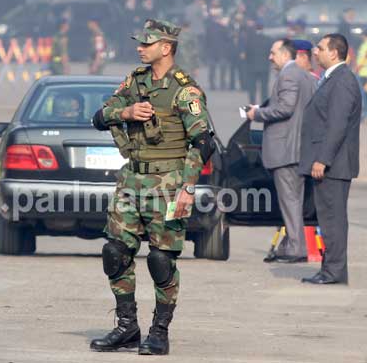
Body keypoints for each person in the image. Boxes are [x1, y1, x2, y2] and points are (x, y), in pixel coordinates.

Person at [90, 19, 215, 355]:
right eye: (139, 43)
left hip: (169, 183)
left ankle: (159, 331)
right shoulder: (135, 81)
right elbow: (99, 117)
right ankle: (126, 327)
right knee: (115, 253)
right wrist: (127, 111)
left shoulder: (184, 89)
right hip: (131, 180)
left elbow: (203, 141)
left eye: (147, 43)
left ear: (166, 47)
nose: (139, 48)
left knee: (161, 260)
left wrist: (188, 188)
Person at [299, 34, 362, 285]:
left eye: (321, 48)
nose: (316, 52)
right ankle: (330, 269)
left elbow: (337, 126)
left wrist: (322, 160)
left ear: (334, 53)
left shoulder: (343, 81)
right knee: (328, 219)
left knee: (333, 220)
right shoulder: (333, 79)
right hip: (330, 163)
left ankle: (334, 272)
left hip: (334, 165)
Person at [246, 39, 316, 263]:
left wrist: (257, 114)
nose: (269, 57)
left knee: (290, 201)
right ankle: (290, 245)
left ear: (285, 55)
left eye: (273, 52)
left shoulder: (288, 75)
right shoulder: (306, 76)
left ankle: (296, 248)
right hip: (300, 148)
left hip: (285, 149)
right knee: (294, 200)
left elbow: (285, 108)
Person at [244, 21, 272, 104]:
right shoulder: (268, 39)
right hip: (264, 67)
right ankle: (264, 104)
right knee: (264, 88)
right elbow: (270, 53)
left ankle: (252, 104)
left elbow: (246, 53)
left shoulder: (249, 40)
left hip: (252, 67)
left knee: (252, 88)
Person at [356, 30, 367, 119]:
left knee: (364, 94)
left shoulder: (366, 45)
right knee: (364, 94)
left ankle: (365, 114)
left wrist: (357, 68)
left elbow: (364, 58)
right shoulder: (363, 45)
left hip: (365, 73)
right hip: (362, 73)